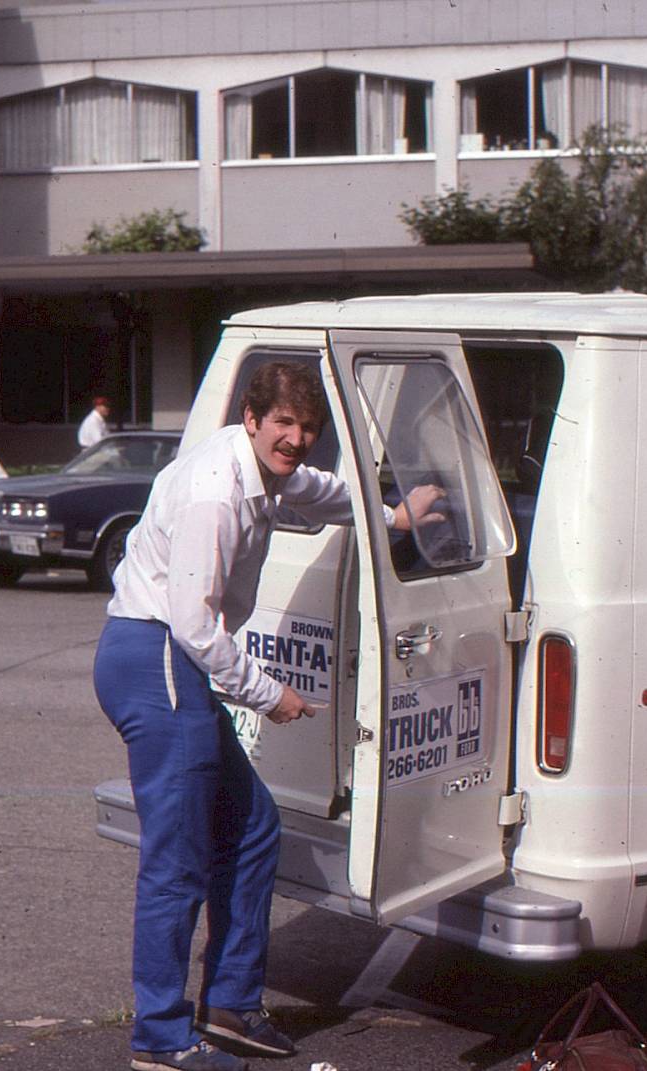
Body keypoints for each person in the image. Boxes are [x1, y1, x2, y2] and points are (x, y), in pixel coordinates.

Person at [93, 361, 442, 1071]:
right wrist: (267, 693)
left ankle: (229, 1005)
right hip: (155, 655)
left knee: (253, 828)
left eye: (308, 427)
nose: (296, 438)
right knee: (178, 860)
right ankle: (160, 1037)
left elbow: (317, 490)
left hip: (169, 659)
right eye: (283, 422)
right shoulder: (215, 494)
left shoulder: (265, 467)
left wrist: (393, 517)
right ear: (251, 419)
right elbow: (194, 626)